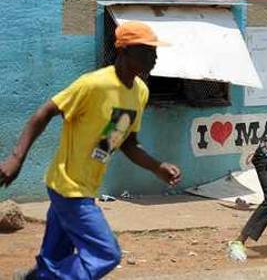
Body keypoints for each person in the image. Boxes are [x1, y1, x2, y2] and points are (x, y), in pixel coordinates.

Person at [0, 21, 182, 280]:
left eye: (154, 51)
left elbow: (126, 142)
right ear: (124, 51)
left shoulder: (139, 92)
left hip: (85, 186)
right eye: (147, 51)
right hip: (70, 188)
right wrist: (16, 158)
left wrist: (157, 167)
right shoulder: (94, 84)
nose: (154, 57)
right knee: (105, 254)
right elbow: (45, 112)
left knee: (55, 259)